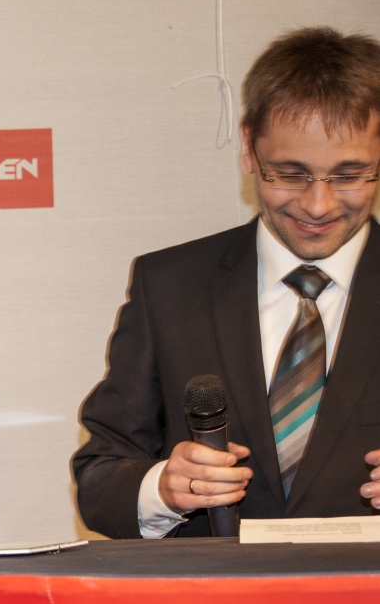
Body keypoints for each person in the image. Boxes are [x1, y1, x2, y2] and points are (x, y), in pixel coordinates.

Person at [75, 27, 380, 538]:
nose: (318, 205)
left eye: (350, 175)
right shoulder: (169, 286)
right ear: (248, 149)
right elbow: (100, 476)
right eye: (290, 173)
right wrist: (163, 488)